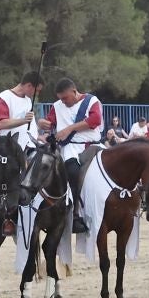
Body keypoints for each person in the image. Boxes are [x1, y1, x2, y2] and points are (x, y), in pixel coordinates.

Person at [39, 77, 103, 234]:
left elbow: (95, 120)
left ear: (74, 92)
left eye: (65, 98)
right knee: (73, 172)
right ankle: (75, 214)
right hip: (70, 149)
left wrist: (69, 129)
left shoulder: (91, 101)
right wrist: (42, 122)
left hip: (92, 145)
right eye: (60, 98)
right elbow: (49, 121)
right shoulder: (57, 106)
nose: (63, 101)